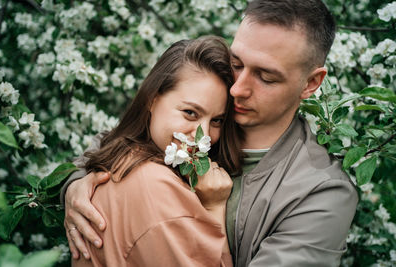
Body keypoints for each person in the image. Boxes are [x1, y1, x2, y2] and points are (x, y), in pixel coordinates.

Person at [63, 0, 359, 266]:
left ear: (311, 83)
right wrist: (77, 185)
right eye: (237, 64)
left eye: (266, 77)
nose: (236, 88)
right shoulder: (197, 121)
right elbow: (113, 144)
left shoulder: (321, 194)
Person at [68, 36, 243, 266]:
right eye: (190, 112)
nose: (204, 136)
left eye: (217, 120)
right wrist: (215, 208)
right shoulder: (158, 188)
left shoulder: (120, 157)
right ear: (152, 98)